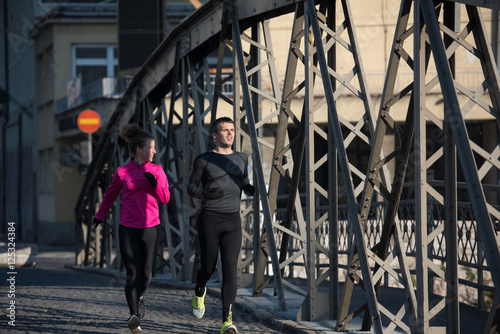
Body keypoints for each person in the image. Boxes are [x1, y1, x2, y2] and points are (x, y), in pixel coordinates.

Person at [92, 124, 170, 334]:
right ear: (138, 149)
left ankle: (140, 296)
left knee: (145, 274)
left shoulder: (157, 170)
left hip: (150, 227)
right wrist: (100, 215)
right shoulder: (122, 171)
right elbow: (110, 194)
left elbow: (165, 199)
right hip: (127, 227)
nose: (154, 151)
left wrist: (154, 184)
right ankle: (134, 314)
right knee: (132, 273)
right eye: (150, 147)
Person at [187, 117, 255, 334]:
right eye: (225, 130)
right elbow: (191, 187)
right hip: (210, 219)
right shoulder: (204, 159)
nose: (230, 134)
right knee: (208, 268)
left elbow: (243, 181)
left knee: (230, 269)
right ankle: (200, 290)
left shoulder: (242, 158)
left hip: (233, 220)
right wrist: (202, 193)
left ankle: (227, 320)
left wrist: (249, 188)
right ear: (215, 135)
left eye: (232, 130)